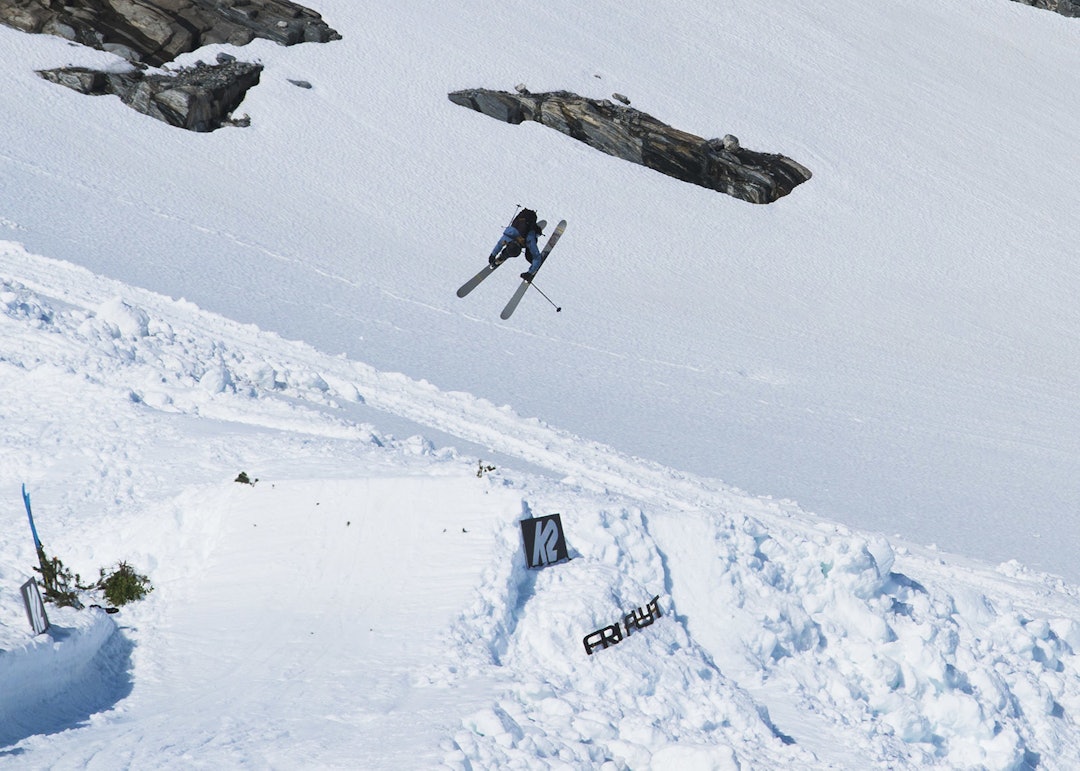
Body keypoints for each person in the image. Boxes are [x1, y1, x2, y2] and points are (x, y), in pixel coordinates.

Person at [489, 208, 544, 281]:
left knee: (529, 256)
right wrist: (492, 255)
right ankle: (503, 256)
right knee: (509, 252)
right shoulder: (508, 236)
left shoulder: (530, 240)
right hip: (520, 230)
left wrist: (530, 273)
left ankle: (537, 231)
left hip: (529, 232)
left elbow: (536, 257)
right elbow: (499, 245)